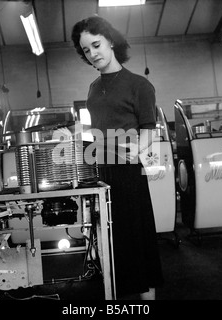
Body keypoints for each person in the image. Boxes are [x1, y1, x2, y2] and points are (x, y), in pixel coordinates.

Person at [71, 16, 164, 300]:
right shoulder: (93, 88)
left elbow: (150, 128)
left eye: (96, 45)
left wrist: (137, 150)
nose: (93, 53)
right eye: (86, 50)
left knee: (138, 242)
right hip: (102, 174)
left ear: (111, 41)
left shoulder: (139, 85)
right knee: (111, 245)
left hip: (128, 175)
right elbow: (99, 129)